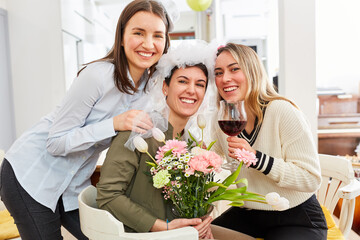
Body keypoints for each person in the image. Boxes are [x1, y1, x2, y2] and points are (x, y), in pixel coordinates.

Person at [0, 0, 178, 239]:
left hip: (73, 186)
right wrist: (113, 124)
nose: (148, 43)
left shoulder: (149, 91)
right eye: (138, 33)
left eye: (158, 35)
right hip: (31, 177)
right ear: (122, 37)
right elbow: (55, 143)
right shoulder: (97, 76)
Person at [96, 40, 256, 240]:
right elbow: (108, 195)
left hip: (185, 233)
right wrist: (163, 227)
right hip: (144, 235)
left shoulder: (194, 143)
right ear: (165, 87)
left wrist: (203, 221)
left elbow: (189, 199)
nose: (191, 90)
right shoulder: (137, 131)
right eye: (182, 81)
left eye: (200, 85)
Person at [210, 43, 328, 240]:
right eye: (218, 72)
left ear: (252, 71)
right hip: (248, 214)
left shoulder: (282, 111)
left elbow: (311, 179)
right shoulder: (222, 120)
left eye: (234, 69)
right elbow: (214, 160)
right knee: (197, 234)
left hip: (295, 216)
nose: (225, 79)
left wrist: (257, 159)